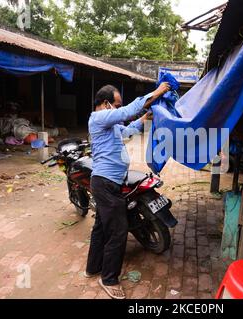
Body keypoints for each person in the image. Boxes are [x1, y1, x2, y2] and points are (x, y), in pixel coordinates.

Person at [85, 82, 170, 299]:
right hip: (105, 183)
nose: (119, 108)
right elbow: (128, 111)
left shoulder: (111, 126)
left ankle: (93, 267)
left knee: (101, 227)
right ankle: (109, 279)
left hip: (108, 183)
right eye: (116, 104)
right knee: (118, 230)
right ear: (105, 104)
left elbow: (128, 130)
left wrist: (144, 119)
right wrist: (156, 93)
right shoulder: (98, 118)